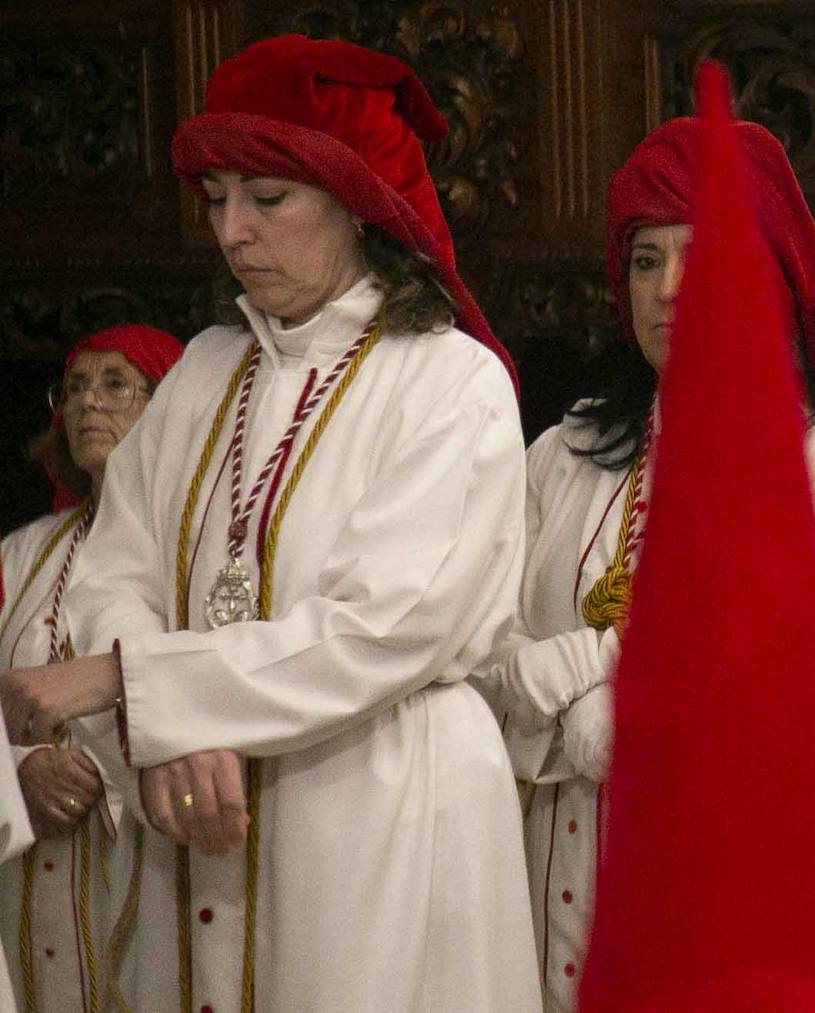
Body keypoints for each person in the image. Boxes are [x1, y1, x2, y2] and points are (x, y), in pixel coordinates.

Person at [0, 35, 540, 1012]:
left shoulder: (449, 378)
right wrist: (172, 726)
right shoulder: (205, 369)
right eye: (216, 200)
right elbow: (113, 567)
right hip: (195, 814)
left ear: (359, 200)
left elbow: (388, 623)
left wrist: (138, 681)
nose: (233, 233)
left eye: (267, 198)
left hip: (383, 802)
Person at [476, 100, 815, 1009]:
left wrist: (603, 694)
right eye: (645, 258)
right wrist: (595, 682)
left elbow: (809, 675)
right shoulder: (561, 456)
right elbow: (480, 648)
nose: (669, 287)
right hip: (558, 847)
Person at [0, 324, 181, 1013]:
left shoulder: (189, 545)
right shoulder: (23, 552)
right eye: (73, 387)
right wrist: (19, 765)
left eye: (115, 384)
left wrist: (96, 776)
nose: (85, 404)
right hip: (23, 859)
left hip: (147, 846)